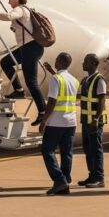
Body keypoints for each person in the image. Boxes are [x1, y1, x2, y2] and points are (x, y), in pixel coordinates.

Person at [0, 0, 46, 126]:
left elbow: (8, 16)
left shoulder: (20, 9)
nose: (9, 2)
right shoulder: (22, 11)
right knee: (6, 62)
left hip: (31, 48)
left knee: (31, 81)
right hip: (26, 48)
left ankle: (43, 112)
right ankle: (19, 90)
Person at [40, 52, 79, 196]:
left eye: (56, 60)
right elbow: (62, 85)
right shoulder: (74, 80)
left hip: (56, 121)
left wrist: (44, 120)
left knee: (47, 150)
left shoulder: (56, 79)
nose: (55, 62)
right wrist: (51, 71)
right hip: (70, 121)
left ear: (61, 63)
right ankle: (65, 181)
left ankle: (59, 180)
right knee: (66, 152)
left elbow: (52, 101)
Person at [77, 54, 107, 188]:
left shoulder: (99, 80)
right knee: (88, 149)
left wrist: (96, 119)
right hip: (86, 121)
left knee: (96, 149)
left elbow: (102, 101)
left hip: (94, 122)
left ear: (94, 64)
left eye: (86, 62)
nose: (83, 64)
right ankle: (92, 175)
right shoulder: (85, 80)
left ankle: (99, 178)